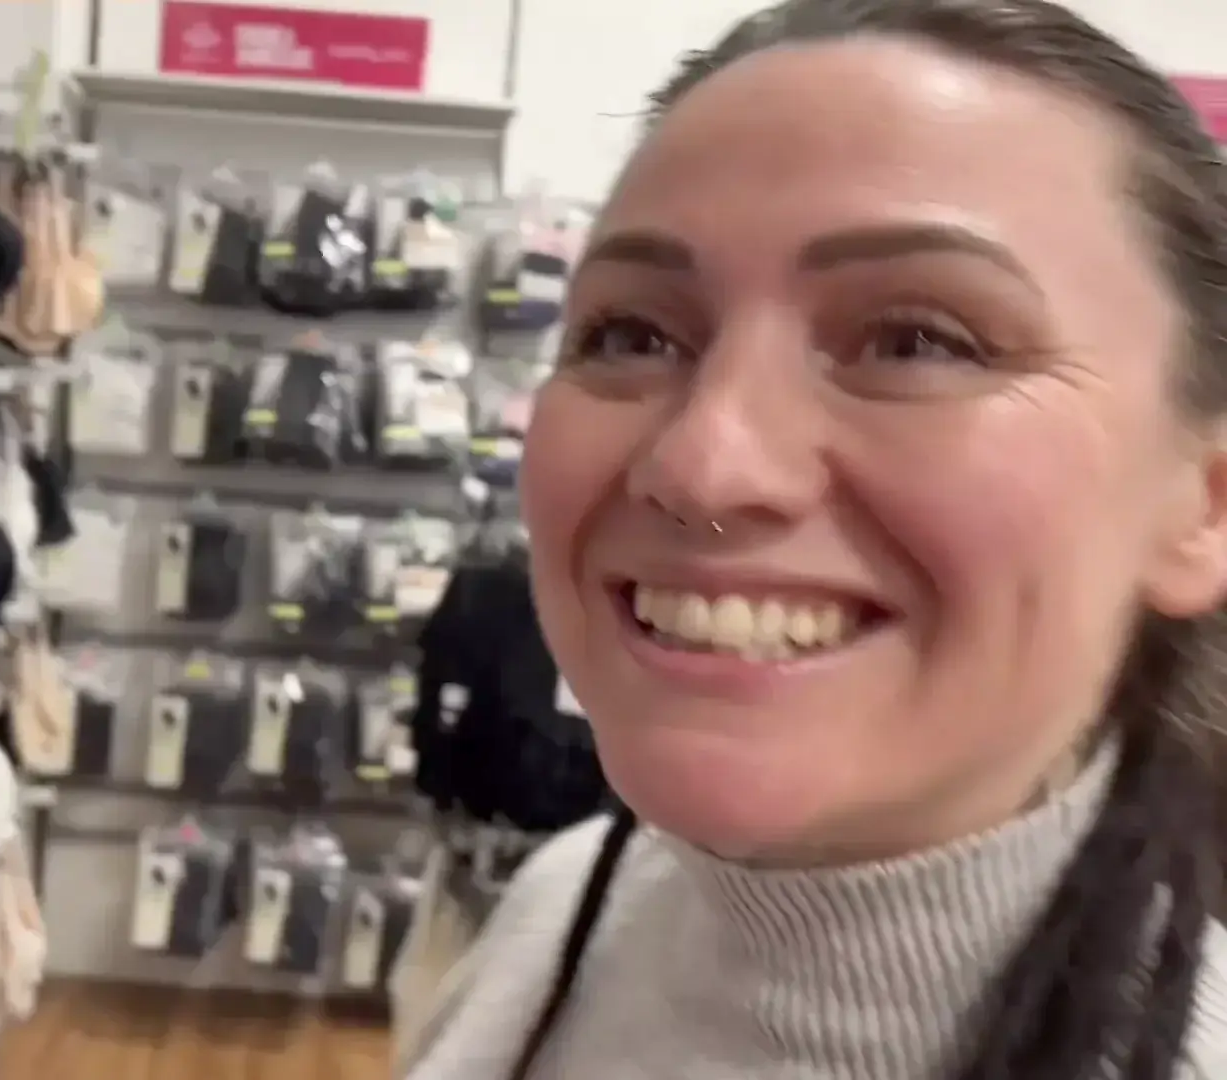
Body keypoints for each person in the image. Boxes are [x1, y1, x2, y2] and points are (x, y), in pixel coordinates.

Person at [399, 1, 1227, 1078]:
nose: (704, 464)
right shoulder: (558, 914)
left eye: (919, 341)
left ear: (1204, 506)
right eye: (631, 333)